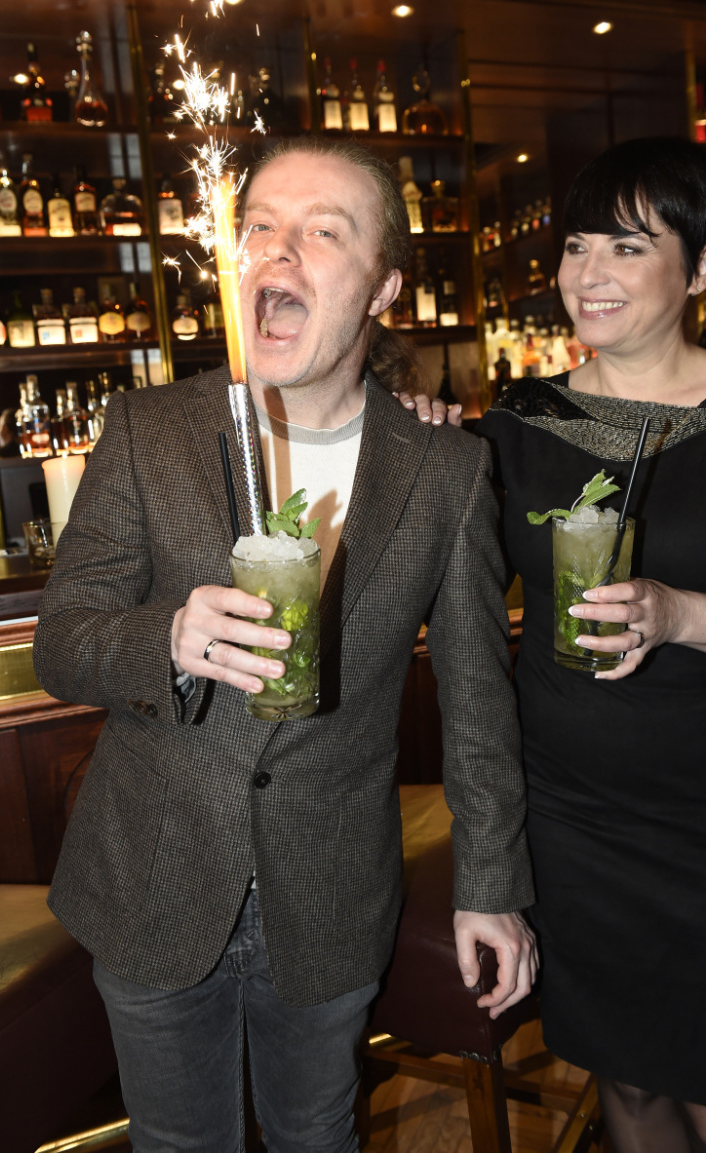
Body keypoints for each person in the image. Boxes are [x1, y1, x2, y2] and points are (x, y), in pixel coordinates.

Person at [33, 137, 537, 1153]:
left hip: (332, 889)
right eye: (260, 224)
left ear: (384, 286)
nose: (278, 248)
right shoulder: (147, 430)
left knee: (316, 1132)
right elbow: (63, 643)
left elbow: (481, 705)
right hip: (153, 876)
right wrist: (167, 637)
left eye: (323, 231)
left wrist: (492, 888)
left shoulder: (445, 472)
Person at [399, 136, 706, 1152]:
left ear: (699, 269)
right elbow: (431, 592)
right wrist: (414, 453)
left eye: (627, 246)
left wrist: (679, 613)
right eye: (578, 246)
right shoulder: (520, 424)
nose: (589, 273)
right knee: (634, 1082)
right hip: (578, 814)